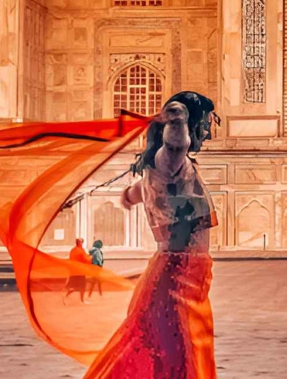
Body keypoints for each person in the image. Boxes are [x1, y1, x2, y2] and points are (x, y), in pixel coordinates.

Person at [85, 91, 219, 378]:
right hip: (175, 280)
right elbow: (176, 141)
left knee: (173, 356)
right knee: (176, 359)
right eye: (205, 123)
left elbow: (135, 192)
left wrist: (128, 196)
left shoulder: (163, 169)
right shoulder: (170, 160)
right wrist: (176, 114)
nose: (207, 132)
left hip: (181, 278)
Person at [65, 238, 91, 303]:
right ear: (79, 243)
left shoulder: (73, 250)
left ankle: (66, 296)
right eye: (81, 242)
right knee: (82, 286)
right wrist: (91, 259)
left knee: (75, 286)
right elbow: (85, 259)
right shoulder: (80, 250)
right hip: (80, 271)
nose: (82, 243)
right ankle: (82, 300)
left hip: (74, 271)